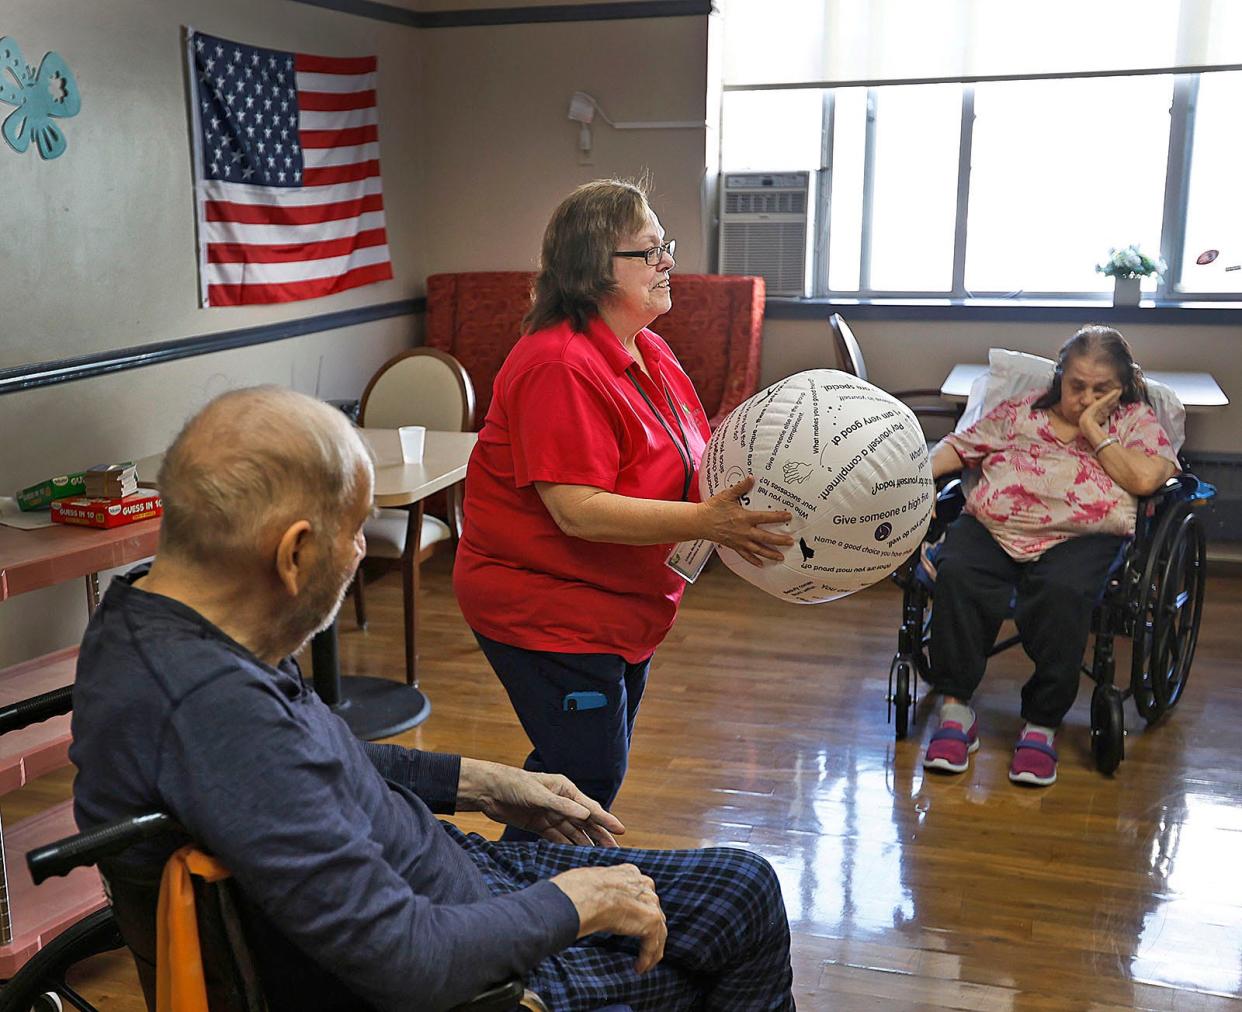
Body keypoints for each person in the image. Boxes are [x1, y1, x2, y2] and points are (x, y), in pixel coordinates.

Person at [69, 387, 795, 1012]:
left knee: (741, 887)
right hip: (470, 964)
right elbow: (407, 962)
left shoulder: (148, 618)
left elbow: (312, 756)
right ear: (293, 554)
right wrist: (581, 902)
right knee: (742, 915)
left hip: (456, 873)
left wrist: (476, 781)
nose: (359, 554)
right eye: (355, 534)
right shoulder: (216, 714)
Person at [453, 179, 793, 834]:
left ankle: (516, 895)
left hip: (620, 607)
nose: (667, 259)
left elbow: (696, 457)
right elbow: (577, 510)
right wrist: (706, 522)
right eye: (648, 250)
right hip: (545, 608)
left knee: (577, 769)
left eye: (665, 244)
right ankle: (522, 909)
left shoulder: (648, 348)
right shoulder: (558, 365)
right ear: (590, 271)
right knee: (587, 778)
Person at [921, 326, 1179, 787]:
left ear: (1122, 389)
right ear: (1060, 377)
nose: (1084, 396)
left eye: (1101, 390)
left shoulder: (1135, 423)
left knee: (1063, 592)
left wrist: (1093, 430)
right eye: (1076, 385)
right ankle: (956, 710)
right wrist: (915, 475)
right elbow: (960, 447)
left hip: (1082, 538)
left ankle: (1041, 724)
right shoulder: (1021, 413)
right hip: (994, 527)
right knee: (957, 571)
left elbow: (1144, 481)